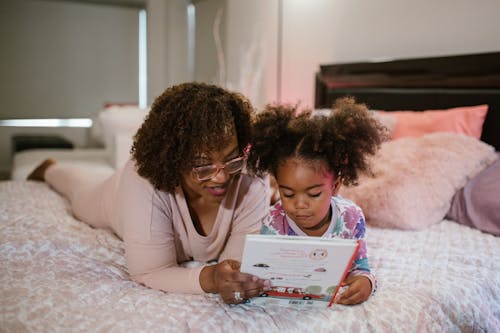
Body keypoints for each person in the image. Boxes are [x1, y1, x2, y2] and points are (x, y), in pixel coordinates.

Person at [27, 82, 271, 304]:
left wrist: (230, 278)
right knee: (80, 193)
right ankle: (51, 168)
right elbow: (150, 271)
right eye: (203, 165)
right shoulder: (144, 180)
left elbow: (234, 268)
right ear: (173, 158)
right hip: (115, 200)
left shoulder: (253, 179)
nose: (222, 177)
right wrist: (210, 278)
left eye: (232, 160)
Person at [246, 97, 387, 305]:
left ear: (336, 185)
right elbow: (264, 274)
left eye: (313, 194)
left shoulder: (351, 218)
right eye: (288, 194)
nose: (300, 204)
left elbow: (360, 266)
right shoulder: (274, 223)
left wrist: (366, 282)